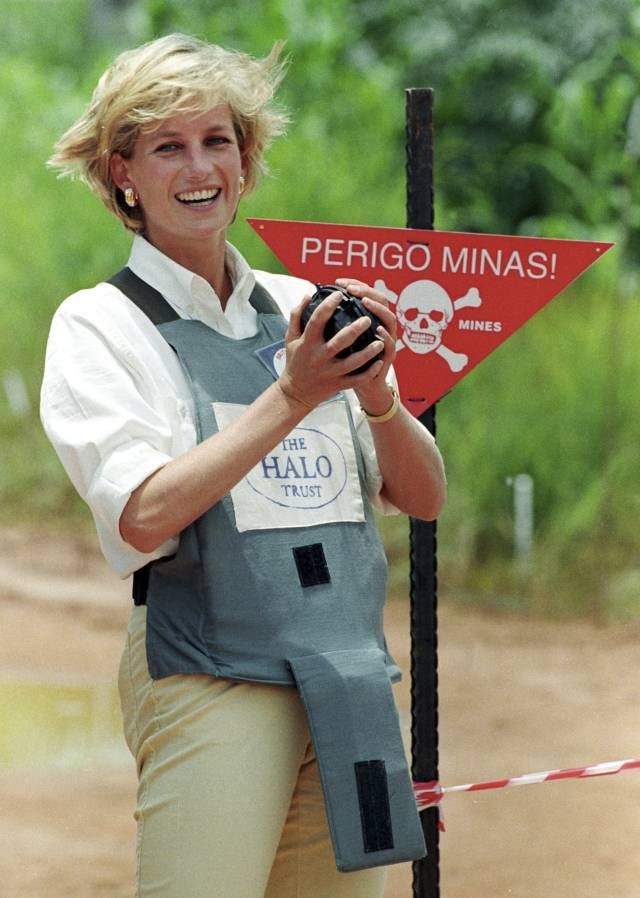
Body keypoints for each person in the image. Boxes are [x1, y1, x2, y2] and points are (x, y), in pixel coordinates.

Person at [41, 33, 446, 898]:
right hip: (209, 669)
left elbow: (424, 493)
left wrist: (377, 393)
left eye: (218, 140)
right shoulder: (98, 325)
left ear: (247, 157)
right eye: (167, 146)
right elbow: (144, 514)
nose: (199, 166)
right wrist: (293, 396)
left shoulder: (305, 304)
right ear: (122, 174)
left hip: (346, 675)